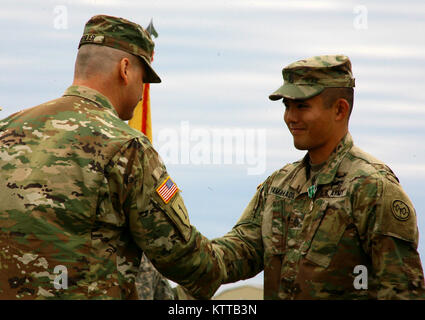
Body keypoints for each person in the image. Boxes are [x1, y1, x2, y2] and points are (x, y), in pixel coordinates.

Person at [0, 14, 225, 299]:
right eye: (143, 81)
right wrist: (238, 251)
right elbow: (185, 259)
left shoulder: (5, 130)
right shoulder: (126, 146)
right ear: (125, 69)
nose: (142, 95)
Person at [205, 54, 425, 299]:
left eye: (302, 106)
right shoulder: (279, 185)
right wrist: (169, 232)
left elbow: (403, 293)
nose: (290, 117)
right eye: (287, 106)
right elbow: (232, 256)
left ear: (340, 109)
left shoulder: (372, 188)